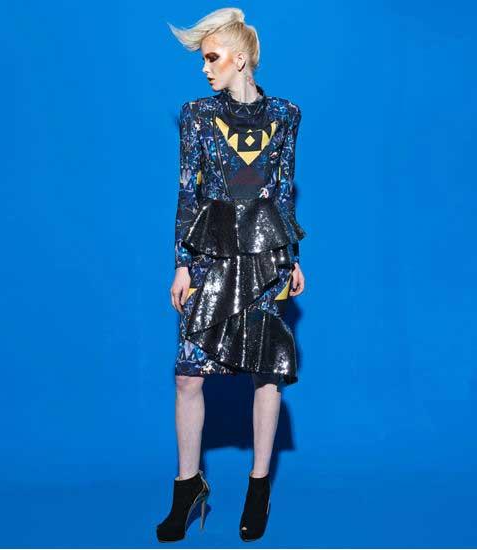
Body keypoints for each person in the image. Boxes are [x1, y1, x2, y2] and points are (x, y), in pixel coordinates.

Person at [157, 7, 306, 543]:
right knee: (187, 376)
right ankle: (187, 488)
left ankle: (259, 486)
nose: (205, 68)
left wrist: (292, 257)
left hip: (265, 257)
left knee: (266, 374)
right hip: (211, 252)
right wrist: (181, 262)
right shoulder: (196, 115)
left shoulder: (286, 115)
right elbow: (187, 191)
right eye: (203, 59)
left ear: (240, 59)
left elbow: (282, 190)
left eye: (212, 58)